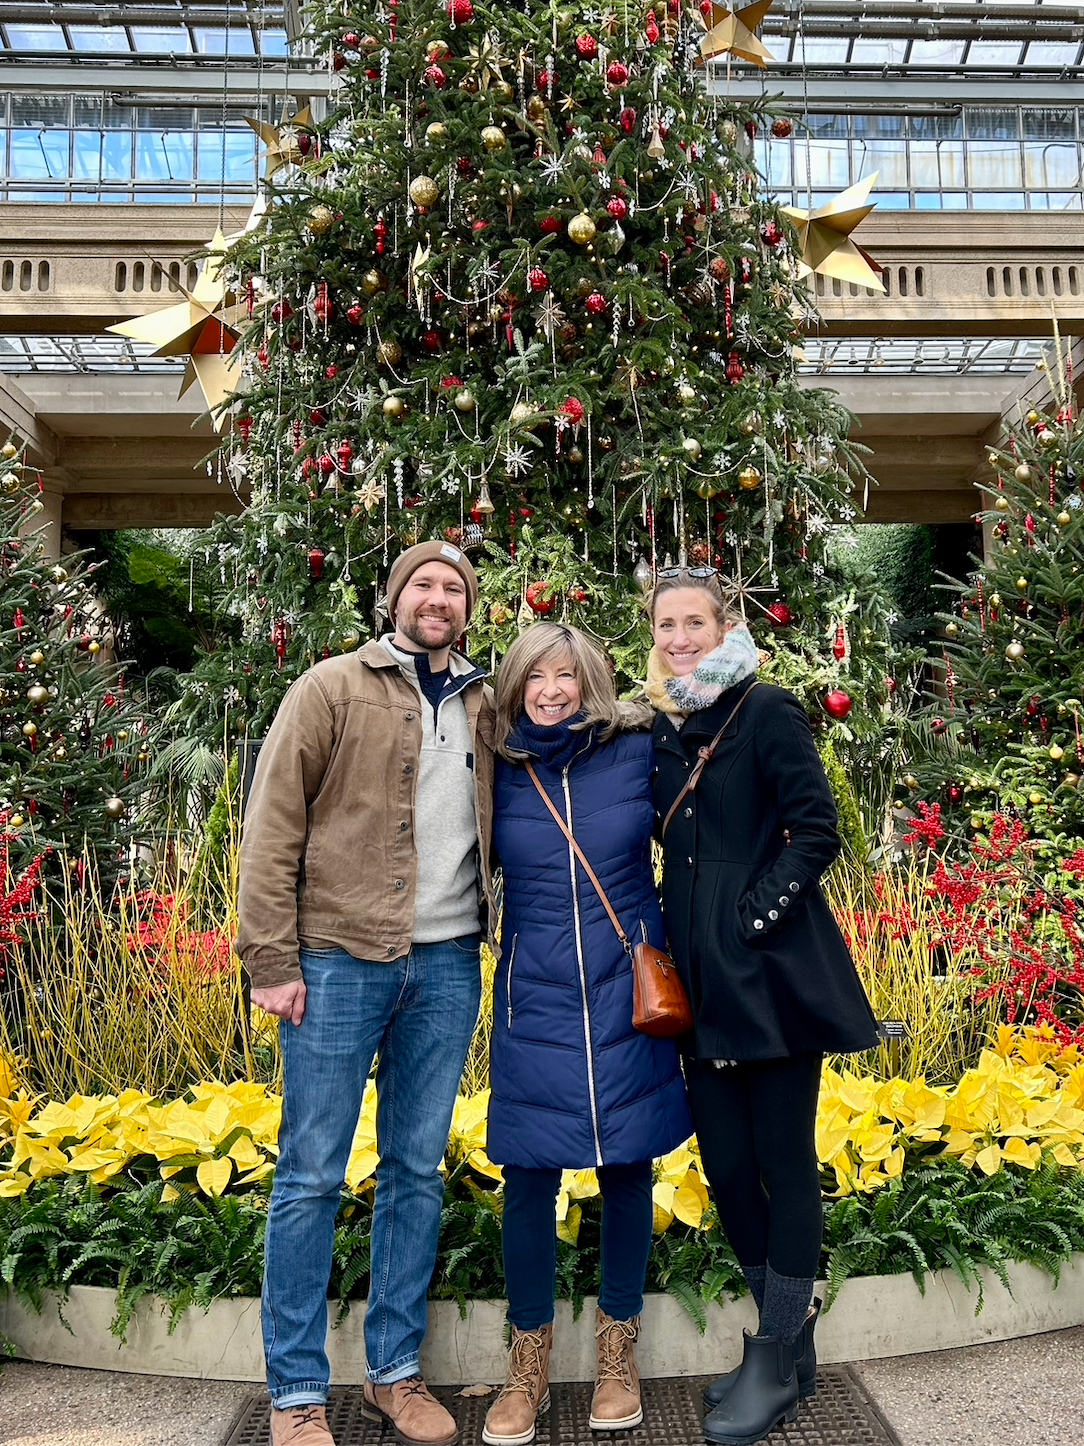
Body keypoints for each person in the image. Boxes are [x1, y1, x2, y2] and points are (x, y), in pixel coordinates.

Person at [236, 540, 496, 1446]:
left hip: (448, 965)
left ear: (468, 608)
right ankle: (296, 1393)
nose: (438, 597)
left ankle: (394, 1374)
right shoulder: (331, 688)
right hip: (337, 961)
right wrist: (271, 960)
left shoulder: (484, 703)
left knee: (415, 1172)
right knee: (311, 1174)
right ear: (395, 598)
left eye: (454, 587)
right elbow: (272, 824)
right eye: (423, 583)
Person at [646, 569, 880, 1446]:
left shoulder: (766, 708)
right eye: (666, 625)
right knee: (729, 1169)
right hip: (698, 984)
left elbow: (817, 829)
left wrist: (752, 917)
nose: (680, 639)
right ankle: (789, 1342)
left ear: (725, 627)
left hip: (767, 974)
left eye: (694, 623)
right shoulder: (663, 726)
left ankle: (774, 1357)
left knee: (783, 1161)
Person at [482, 623, 692, 1446]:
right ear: (515, 685)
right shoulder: (493, 763)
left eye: (567, 675)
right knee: (528, 1174)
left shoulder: (636, 749)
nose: (552, 691)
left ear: (591, 682)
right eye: (536, 676)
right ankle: (526, 1366)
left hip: (626, 987)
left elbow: (704, 815)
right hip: (534, 994)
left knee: (628, 1165)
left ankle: (616, 1355)